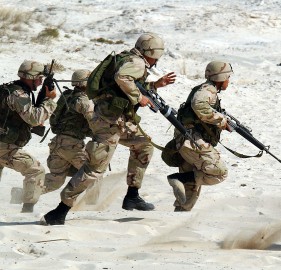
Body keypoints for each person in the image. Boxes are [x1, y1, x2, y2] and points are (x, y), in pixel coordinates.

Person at [41, 33, 176, 225]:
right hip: (108, 123)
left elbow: (126, 85)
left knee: (144, 146)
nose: (156, 61)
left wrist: (155, 85)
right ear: (151, 52)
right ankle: (59, 211)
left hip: (119, 120)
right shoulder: (136, 63)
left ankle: (132, 195)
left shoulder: (128, 58)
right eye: (157, 56)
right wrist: (140, 98)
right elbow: (123, 78)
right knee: (95, 169)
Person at [167, 61, 233, 212]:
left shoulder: (205, 89)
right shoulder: (208, 90)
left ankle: (178, 217)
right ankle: (177, 178)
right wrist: (221, 120)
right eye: (228, 77)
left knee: (188, 193)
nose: (228, 81)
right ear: (221, 78)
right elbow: (199, 104)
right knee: (219, 172)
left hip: (187, 141)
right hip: (192, 141)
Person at [0, 60, 57, 212]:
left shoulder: (8, 89)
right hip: (4, 146)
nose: (40, 82)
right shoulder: (18, 94)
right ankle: (27, 210)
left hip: (4, 143)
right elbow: (34, 118)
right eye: (39, 78)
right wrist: (49, 101)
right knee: (36, 171)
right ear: (30, 77)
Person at [43, 69, 94, 194]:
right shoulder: (84, 101)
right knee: (93, 174)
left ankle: (24, 193)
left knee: (55, 180)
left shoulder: (67, 96)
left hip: (57, 143)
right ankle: (92, 206)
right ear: (86, 84)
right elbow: (95, 121)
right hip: (73, 146)